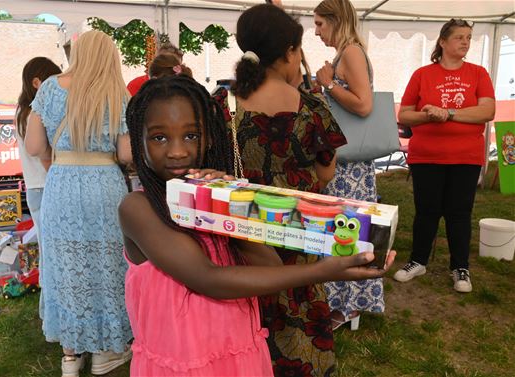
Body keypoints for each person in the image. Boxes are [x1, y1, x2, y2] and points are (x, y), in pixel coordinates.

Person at [120, 74, 395, 376]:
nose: (177, 151)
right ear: (138, 140)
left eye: (191, 136)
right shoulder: (138, 208)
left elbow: (271, 266)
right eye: (159, 137)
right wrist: (322, 271)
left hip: (239, 356)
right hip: (182, 366)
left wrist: (232, 207)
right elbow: (206, 278)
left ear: (209, 137)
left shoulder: (211, 197)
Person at [231, 4, 348, 375]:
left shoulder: (228, 104)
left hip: (247, 226)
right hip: (301, 224)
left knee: (254, 304)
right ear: (289, 52)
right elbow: (325, 174)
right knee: (301, 299)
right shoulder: (311, 107)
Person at [25, 30, 133, 377]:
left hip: (62, 183)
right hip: (104, 185)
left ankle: (71, 355)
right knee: (107, 265)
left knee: (66, 265)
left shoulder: (51, 88)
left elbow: (33, 146)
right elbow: (126, 153)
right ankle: (105, 353)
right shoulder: (118, 92)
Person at [393, 19, 495, 293]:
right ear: (443, 42)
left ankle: (460, 267)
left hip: (466, 156)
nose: (465, 42)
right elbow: (404, 114)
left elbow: (487, 112)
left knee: (459, 212)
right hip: (427, 155)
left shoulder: (478, 73)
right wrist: (429, 115)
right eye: (459, 37)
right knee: (426, 211)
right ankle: (418, 260)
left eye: (469, 37)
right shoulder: (423, 74)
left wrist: (448, 112)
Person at [313, 0, 385, 332]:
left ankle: (351, 305)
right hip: (344, 163)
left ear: (335, 20)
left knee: (349, 232)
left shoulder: (352, 53)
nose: (316, 32)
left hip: (350, 165)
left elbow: (364, 104)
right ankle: (341, 301)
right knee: (341, 232)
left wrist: (329, 85)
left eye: (320, 24)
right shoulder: (346, 54)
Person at [14, 56, 61, 320]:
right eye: (52, 81)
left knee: (48, 252)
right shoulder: (36, 113)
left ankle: (47, 312)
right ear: (37, 82)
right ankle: (49, 313)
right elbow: (45, 157)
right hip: (45, 186)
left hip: (35, 188)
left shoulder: (21, 111)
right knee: (53, 255)